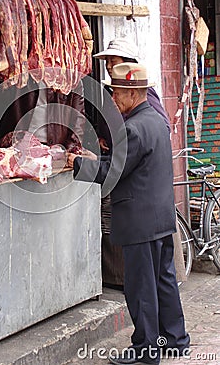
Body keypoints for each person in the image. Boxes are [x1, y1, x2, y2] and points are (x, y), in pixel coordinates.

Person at [67, 63, 190, 365]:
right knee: (164, 280)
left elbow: (113, 174)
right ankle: (176, 340)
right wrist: (101, 157)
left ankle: (146, 350)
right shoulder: (155, 121)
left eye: (118, 93)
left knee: (141, 288)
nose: (114, 100)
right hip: (160, 218)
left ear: (134, 93)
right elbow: (132, 163)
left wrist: (77, 163)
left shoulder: (133, 129)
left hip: (139, 222)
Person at [93, 37, 186, 287]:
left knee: (148, 273)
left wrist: (120, 146)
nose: (110, 66)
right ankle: (122, 280)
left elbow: (154, 130)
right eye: (108, 62)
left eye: (114, 61)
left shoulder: (143, 104)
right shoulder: (119, 99)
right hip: (143, 192)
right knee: (155, 274)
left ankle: (145, 316)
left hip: (142, 189)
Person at [0, 76, 86, 150]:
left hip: (53, 149)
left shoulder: (72, 78)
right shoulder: (23, 70)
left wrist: (69, 151)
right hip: (18, 147)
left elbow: (78, 119)